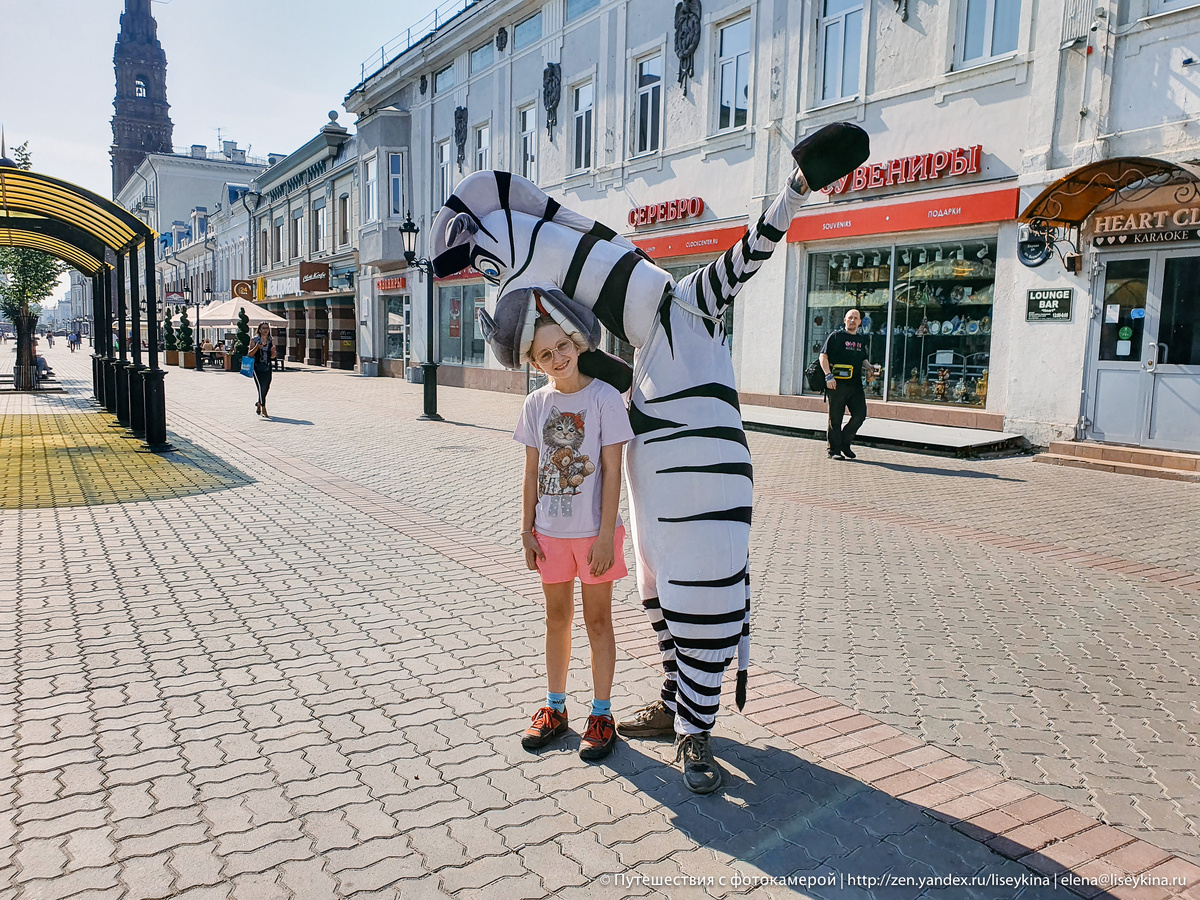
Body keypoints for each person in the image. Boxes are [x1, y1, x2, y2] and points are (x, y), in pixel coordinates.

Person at [514, 314, 634, 762]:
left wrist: (606, 536)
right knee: (556, 620)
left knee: (599, 622)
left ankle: (601, 714)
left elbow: (611, 470)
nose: (557, 357)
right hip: (550, 535)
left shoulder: (604, 398)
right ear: (534, 361)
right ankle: (556, 707)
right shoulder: (535, 403)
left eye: (563, 346)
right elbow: (530, 473)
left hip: (593, 536)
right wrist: (526, 530)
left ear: (577, 343)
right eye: (545, 354)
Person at [819, 308, 880, 460]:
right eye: (850, 318)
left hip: (855, 385)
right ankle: (834, 451)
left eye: (856, 318)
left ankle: (845, 442)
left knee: (860, 415)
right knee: (835, 418)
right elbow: (823, 356)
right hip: (837, 384)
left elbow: (862, 359)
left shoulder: (861, 339)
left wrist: (870, 367)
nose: (852, 320)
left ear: (860, 322)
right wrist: (828, 376)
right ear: (845, 320)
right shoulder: (836, 336)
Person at [248, 322, 277, 418]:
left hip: (267, 366)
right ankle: (264, 407)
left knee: (267, 386)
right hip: (257, 367)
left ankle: (259, 403)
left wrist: (273, 352)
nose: (265, 330)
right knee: (260, 387)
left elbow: (272, 356)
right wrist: (257, 347)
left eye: (267, 328)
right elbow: (250, 354)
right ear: (259, 330)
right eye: (263, 328)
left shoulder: (270, 340)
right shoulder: (254, 340)